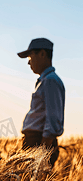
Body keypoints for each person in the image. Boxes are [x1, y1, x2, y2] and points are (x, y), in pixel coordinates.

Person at [17, 38, 65, 167]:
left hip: (39, 142)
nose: (28, 62)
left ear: (43, 54)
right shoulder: (44, 80)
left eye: (30, 56)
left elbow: (53, 117)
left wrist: (43, 152)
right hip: (35, 141)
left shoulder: (50, 81)